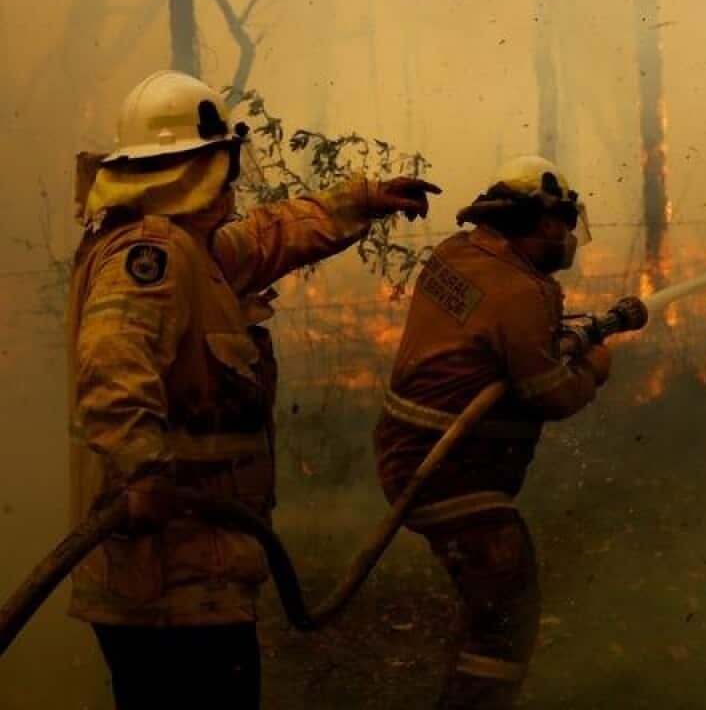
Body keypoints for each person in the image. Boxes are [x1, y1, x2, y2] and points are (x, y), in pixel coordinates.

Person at [68, 69, 438, 709]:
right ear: (200, 164)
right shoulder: (151, 255)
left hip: (194, 571)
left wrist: (365, 199)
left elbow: (274, 234)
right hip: (170, 578)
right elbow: (111, 365)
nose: (232, 181)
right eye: (223, 163)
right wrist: (144, 473)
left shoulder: (192, 250)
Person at [374, 155, 612, 709]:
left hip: (408, 451)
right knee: (507, 604)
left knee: (490, 602)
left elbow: (489, 343)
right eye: (562, 224)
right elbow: (550, 393)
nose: (567, 238)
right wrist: (592, 373)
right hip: (452, 470)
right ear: (539, 219)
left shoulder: (457, 254)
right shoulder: (520, 292)